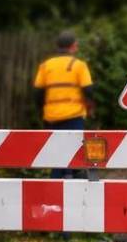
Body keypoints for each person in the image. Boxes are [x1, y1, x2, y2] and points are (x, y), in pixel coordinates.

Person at [33, 31, 94, 180]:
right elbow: (88, 90)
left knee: (56, 153)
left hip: (51, 116)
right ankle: (71, 179)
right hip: (74, 115)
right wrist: (90, 106)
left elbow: (38, 93)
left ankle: (56, 183)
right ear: (73, 46)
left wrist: (43, 109)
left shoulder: (46, 65)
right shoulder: (79, 65)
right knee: (73, 152)